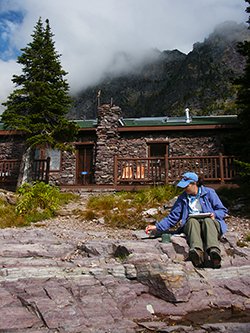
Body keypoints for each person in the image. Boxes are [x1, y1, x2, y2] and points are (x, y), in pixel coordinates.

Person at [146, 172, 228, 269]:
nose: (184, 188)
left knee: (207, 221)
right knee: (191, 221)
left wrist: (215, 214)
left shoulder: (209, 193)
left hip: (210, 223)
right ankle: (197, 253)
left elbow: (222, 210)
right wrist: (157, 227)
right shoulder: (182, 198)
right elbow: (173, 217)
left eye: (187, 186)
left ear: (195, 184)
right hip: (193, 224)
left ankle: (214, 251)